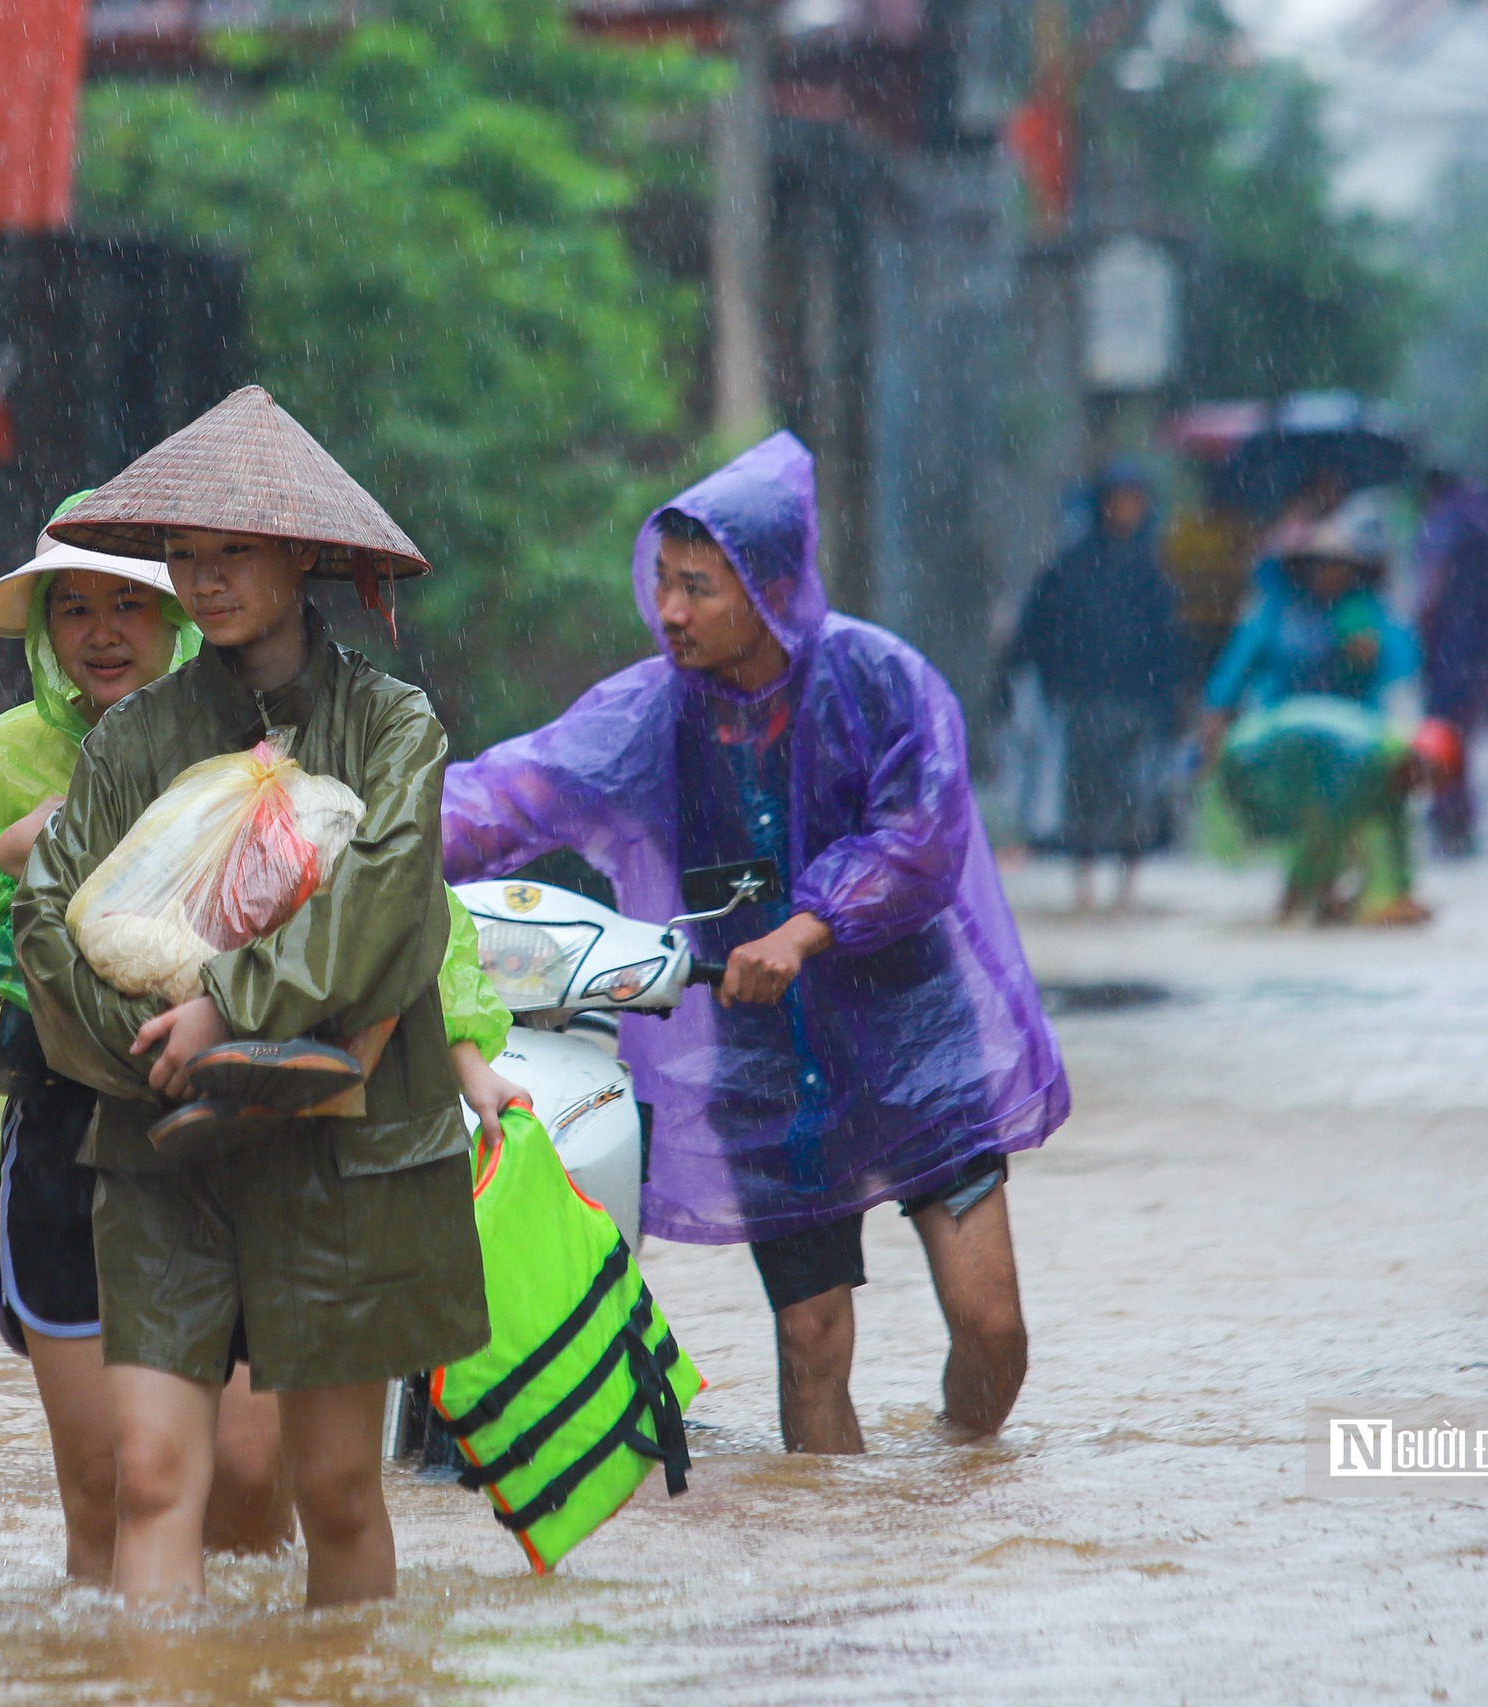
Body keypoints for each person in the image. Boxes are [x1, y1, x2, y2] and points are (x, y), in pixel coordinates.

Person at [443, 432, 1068, 1452]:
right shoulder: (649, 714)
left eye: (698, 587)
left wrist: (804, 928)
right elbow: (511, 791)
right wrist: (349, 831)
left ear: (774, 590)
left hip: (915, 1037)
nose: (671, 612)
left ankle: (962, 1482)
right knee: (812, 1341)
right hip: (761, 1059)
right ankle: (833, 1558)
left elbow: (921, 836)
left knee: (990, 1324)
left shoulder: (880, 682)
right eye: (662, 584)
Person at [18, 386, 492, 1611]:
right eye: (186, 554)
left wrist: (229, 1010)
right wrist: (159, 1058)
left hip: (344, 1148)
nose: (205, 578)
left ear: (303, 559)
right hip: (161, 1148)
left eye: (233, 553)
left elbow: (388, 905)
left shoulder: (394, 729)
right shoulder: (131, 741)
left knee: (336, 1488)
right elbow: (48, 912)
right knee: (155, 1473)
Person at [0, 510, 292, 1582]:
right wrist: (5, 849)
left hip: (235, 1130)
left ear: (181, 614)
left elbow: (395, 916)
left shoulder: (258, 740)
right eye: (74, 609)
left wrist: (468, 1060)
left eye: (128, 602)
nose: (101, 632)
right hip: (65, 1131)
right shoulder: (3, 760)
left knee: (248, 1475)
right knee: (111, 1482)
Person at [1004, 460, 1188, 911]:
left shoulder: (1150, 570)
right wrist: (1043, 679)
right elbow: (1038, 629)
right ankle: (1084, 883)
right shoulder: (1072, 566)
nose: (1128, 509)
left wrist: (1176, 696)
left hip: (1138, 696)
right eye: (1120, 499)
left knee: (1136, 791)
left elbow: (1169, 638)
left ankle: (1128, 886)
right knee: (1085, 789)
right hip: (1085, 695)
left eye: (1135, 500)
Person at [1212, 699, 1460, 927]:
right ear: (1416, 762)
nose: (1424, 787)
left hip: (1262, 753)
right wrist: (1295, 897)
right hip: (1248, 759)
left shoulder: (1392, 770)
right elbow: (1322, 833)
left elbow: (1396, 836)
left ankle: (1315, 895)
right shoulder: (1365, 765)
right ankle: (1309, 897)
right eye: (1429, 776)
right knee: (1331, 833)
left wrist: (1402, 894)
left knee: (1339, 835)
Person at [1201, 513, 1415, 724]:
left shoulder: (1368, 611)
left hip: (1352, 730)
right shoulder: (1278, 608)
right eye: (1322, 564)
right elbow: (1237, 664)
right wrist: (1218, 710)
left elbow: (1401, 669)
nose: (1330, 573)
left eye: (1340, 565)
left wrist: (1367, 659)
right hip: (1279, 726)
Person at [1412, 471, 1488, 855]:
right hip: (1481, 643)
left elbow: (1431, 586)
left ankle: (1448, 804)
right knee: (1462, 729)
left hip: (1449, 643)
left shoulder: (1444, 523)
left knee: (1444, 726)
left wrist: (1420, 624)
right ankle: (1458, 805)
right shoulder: (1485, 518)